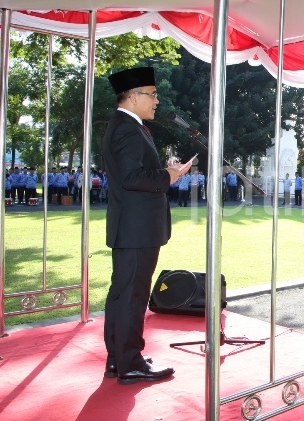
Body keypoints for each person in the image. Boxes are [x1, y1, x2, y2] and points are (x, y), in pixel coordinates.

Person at [102, 67, 190, 385]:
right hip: (137, 228)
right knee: (132, 296)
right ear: (134, 96)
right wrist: (169, 175)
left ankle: (119, 358)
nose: (156, 101)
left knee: (123, 293)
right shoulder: (128, 128)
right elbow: (131, 178)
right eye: (152, 94)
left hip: (131, 226)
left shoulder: (127, 126)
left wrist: (166, 171)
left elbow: (132, 175)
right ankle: (130, 362)